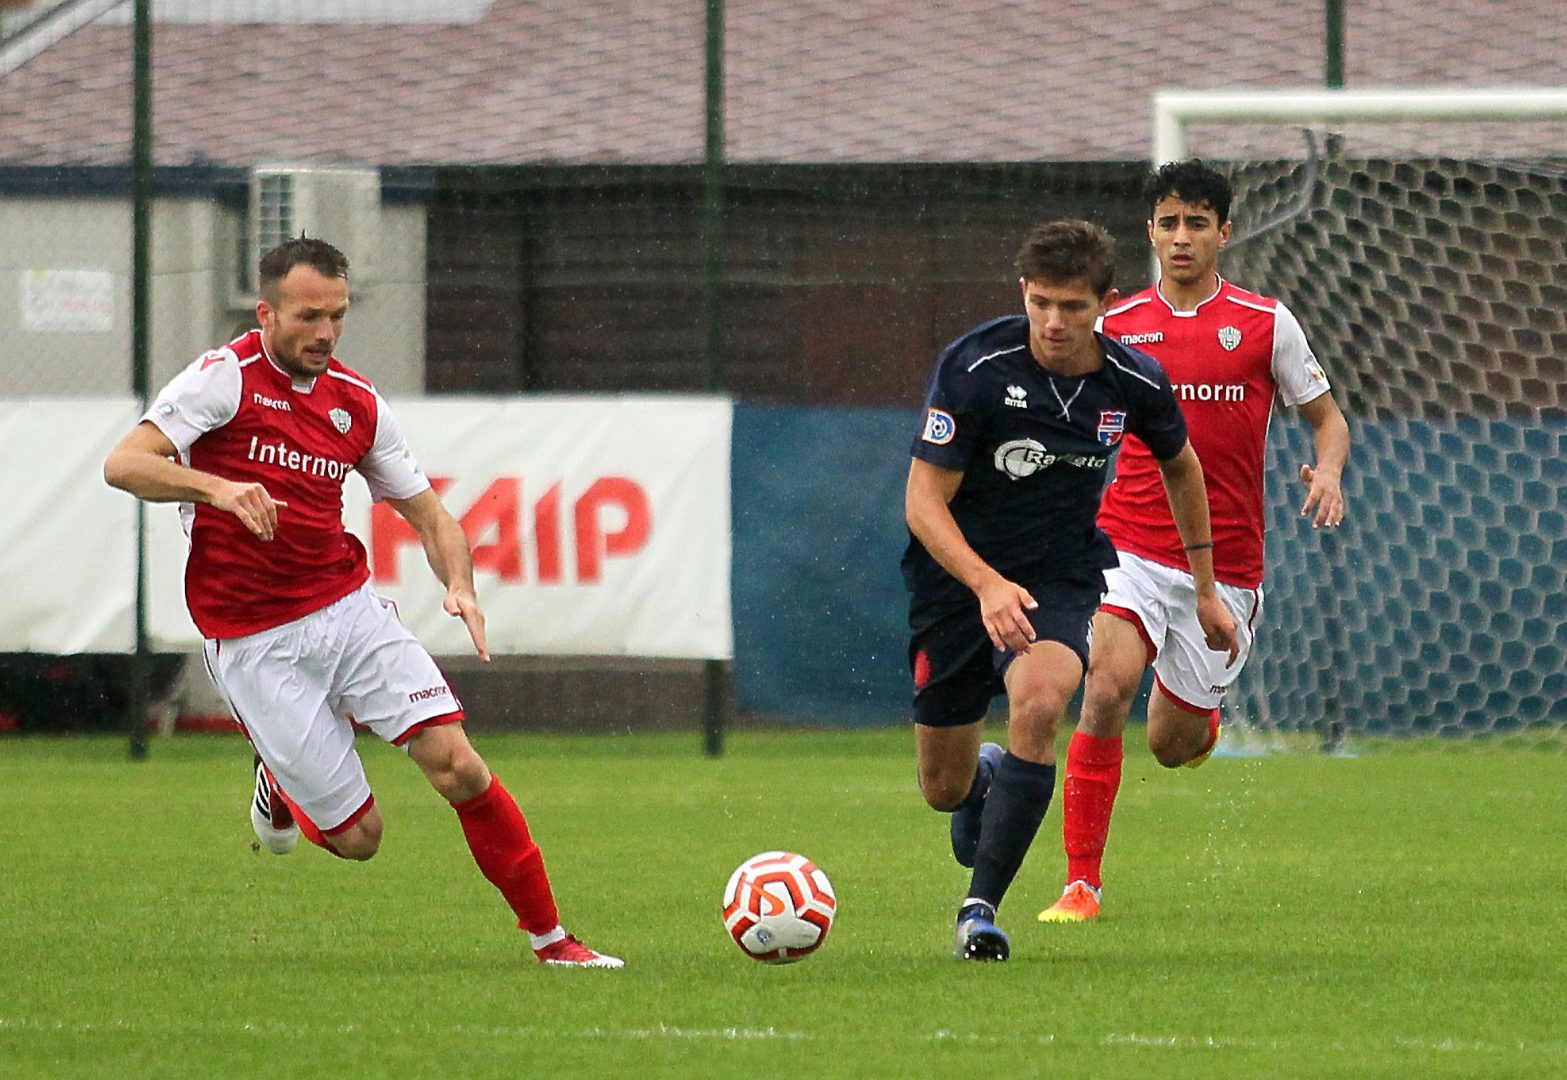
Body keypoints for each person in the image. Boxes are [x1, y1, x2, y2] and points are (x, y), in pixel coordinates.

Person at [103, 237, 622, 969]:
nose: (326, 332)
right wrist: (217, 488)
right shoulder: (224, 380)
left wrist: (460, 583)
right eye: (309, 317)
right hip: (253, 640)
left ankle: (553, 941)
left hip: (347, 611)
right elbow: (124, 463)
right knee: (360, 840)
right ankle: (278, 777)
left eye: (338, 316)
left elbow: (431, 517)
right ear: (266, 314)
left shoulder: (358, 403)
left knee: (459, 766)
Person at [902, 218, 1239, 961]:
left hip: (1057, 575)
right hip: (956, 580)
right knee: (942, 788)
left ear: (1105, 304)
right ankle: (984, 781)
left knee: (1042, 701)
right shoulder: (975, 366)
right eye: (1041, 303)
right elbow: (923, 503)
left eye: (1072, 307)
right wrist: (985, 583)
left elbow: (1182, 467)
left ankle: (979, 913)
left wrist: (1206, 587)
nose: (1054, 322)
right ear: (1024, 291)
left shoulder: (1132, 380)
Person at [1038, 160, 1351, 924]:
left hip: (1228, 565)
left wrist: (1328, 473)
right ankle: (1081, 885)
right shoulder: (1115, 328)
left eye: (1196, 223)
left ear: (1223, 232)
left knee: (1170, 746)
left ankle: (1199, 722)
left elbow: (1328, 420)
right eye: (1168, 222)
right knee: (1104, 687)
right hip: (1127, 547)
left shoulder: (1264, 323)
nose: (1181, 237)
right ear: (1149, 232)